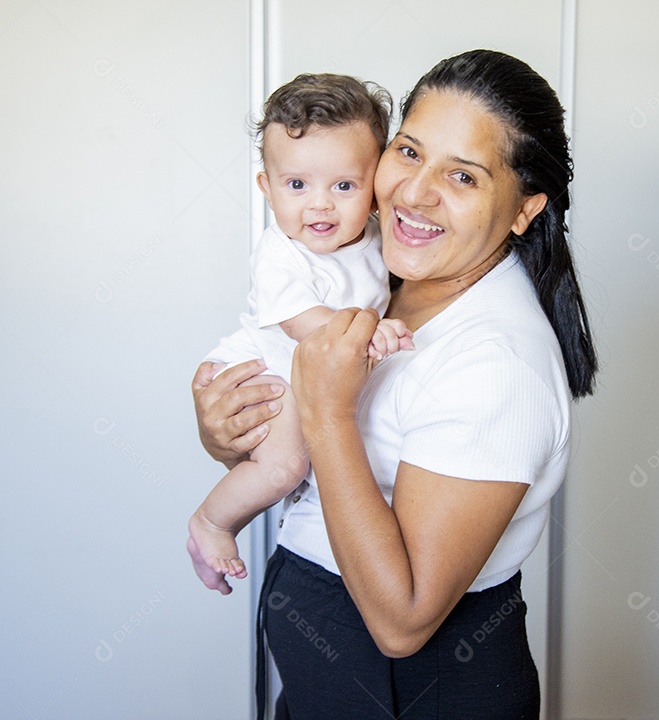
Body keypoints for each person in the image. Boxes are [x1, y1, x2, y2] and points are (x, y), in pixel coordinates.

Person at [192, 49, 597, 719]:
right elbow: (309, 452)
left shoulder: (498, 365)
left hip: (416, 689)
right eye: (409, 152)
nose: (414, 191)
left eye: (462, 176)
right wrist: (229, 429)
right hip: (334, 674)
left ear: (525, 209)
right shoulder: (388, 276)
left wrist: (324, 412)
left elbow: (403, 621)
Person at [187, 73, 413, 593]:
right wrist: (366, 333)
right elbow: (297, 322)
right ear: (266, 188)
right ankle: (212, 523)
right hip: (264, 367)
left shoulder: (377, 238)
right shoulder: (279, 253)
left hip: (303, 371)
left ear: (375, 186)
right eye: (297, 185)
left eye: (343, 186)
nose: (320, 205)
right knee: (286, 466)